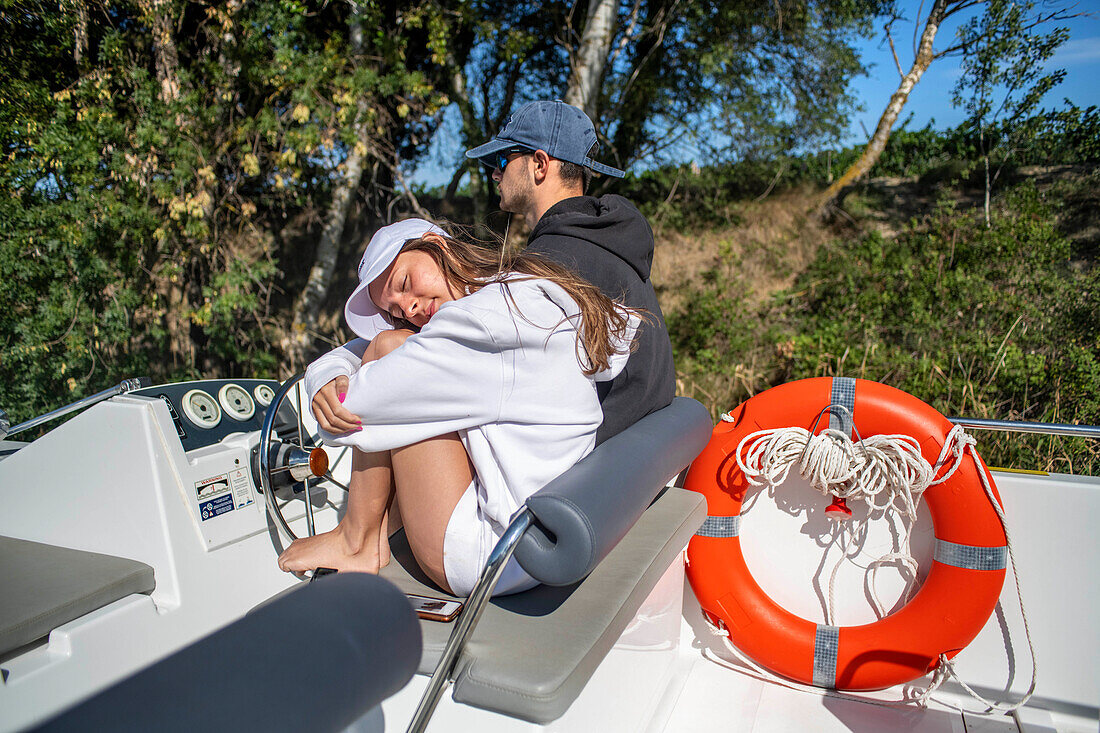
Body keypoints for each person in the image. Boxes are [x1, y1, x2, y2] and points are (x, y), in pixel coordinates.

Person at [278, 219, 639, 597]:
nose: (411, 308)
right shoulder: (518, 291)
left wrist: (330, 379)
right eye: (397, 311)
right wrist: (328, 369)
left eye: (404, 284)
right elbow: (379, 351)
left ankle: (357, 539)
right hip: (537, 524)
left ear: (437, 244)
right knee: (391, 348)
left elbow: (349, 411)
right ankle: (367, 534)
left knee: (387, 350)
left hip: (491, 553)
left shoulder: (481, 325)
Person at [465, 100, 676, 444]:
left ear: (540, 164)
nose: (494, 173)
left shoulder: (550, 263)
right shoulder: (610, 242)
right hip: (639, 454)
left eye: (502, 160)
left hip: (590, 470)